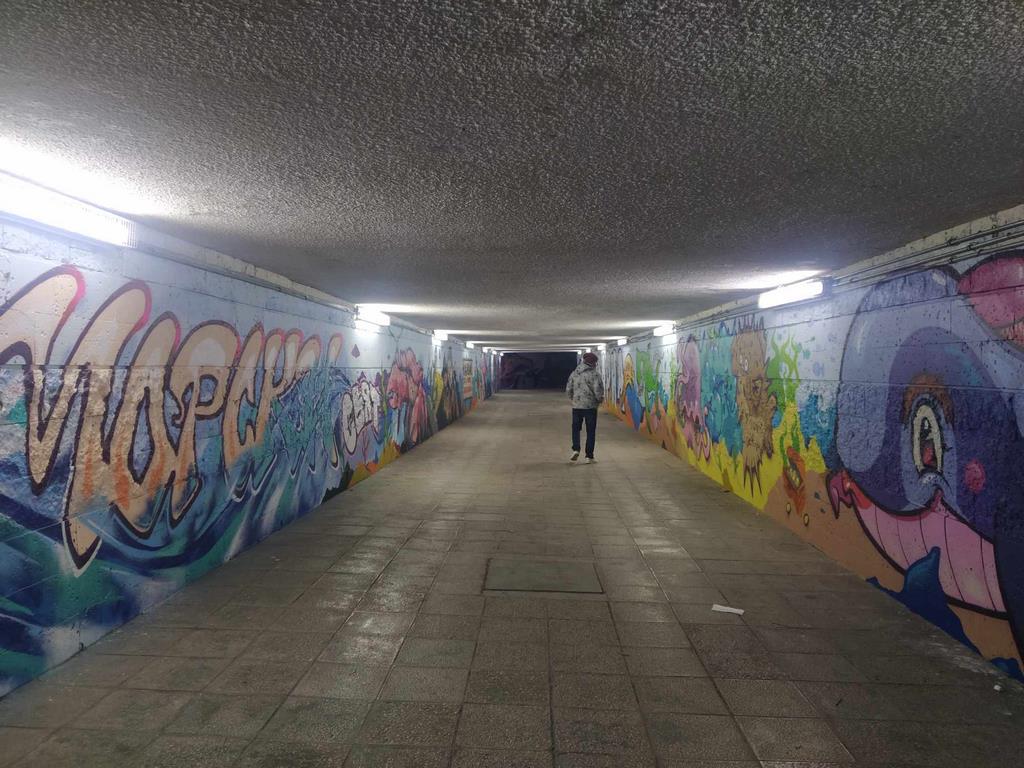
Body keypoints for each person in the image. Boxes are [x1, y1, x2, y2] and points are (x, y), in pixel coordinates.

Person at [565, 352, 604, 464]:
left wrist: (574, 399)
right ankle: (589, 456)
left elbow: (568, 389)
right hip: (590, 407)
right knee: (590, 431)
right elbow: (598, 391)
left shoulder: (574, 373)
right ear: (593, 363)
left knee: (576, 429)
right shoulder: (595, 375)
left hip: (577, 406)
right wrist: (600, 400)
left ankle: (576, 449)